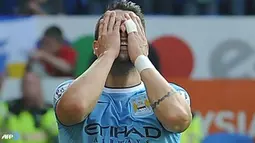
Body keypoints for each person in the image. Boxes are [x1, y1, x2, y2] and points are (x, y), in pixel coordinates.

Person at [53, 0, 192, 142]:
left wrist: (140, 57)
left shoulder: (176, 94)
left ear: (144, 45)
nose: (124, 34)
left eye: (132, 30)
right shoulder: (67, 91)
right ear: (96, 46)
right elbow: (75, 108)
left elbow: (177, 119)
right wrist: (108, 53)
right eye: (113, 29)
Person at [2, 72, 58, 143]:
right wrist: (18, 136)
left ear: (39, 87)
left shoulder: (50, 112)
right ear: (21, 87)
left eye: (32, 84)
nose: (29, 87)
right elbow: (2, 136)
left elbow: (58, 136)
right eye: (26, 83)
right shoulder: (8, 109)